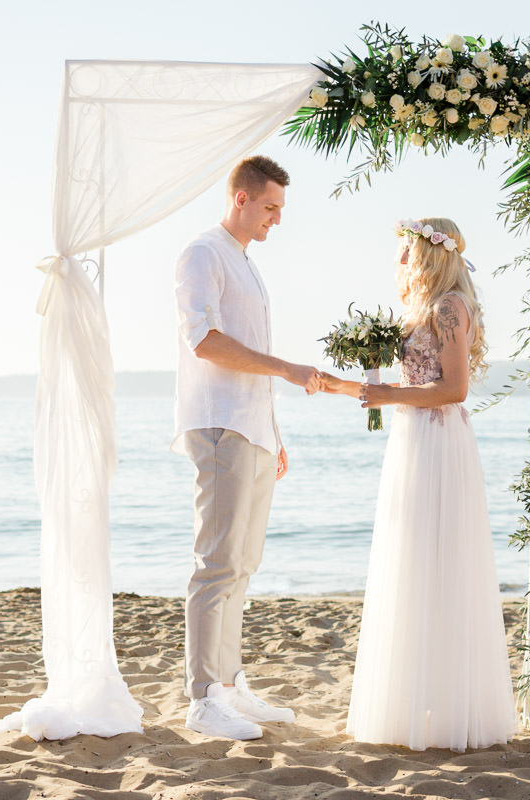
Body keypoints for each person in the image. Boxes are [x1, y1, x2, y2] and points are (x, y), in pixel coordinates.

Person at [321, 217, 515, 751]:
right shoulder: (424, 309)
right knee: (410, 562)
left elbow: (454, 389)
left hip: (438, 441)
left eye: (406, 249)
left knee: (442, 564)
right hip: (410, 441)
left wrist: (388, 400)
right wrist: (341, 384)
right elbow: (398, 385)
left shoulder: (449, 307)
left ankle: (449, 706)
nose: (399, 259)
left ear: (431, 254)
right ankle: (414, 699)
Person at [173, 155, 321, 741]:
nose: (276, 220)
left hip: (253, 429)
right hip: (219, 425)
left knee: (243, 565)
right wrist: (285, 368)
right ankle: (204, 697)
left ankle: (229, 685)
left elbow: (249, 347)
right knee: (217, 564)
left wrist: (274, 434)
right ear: (241, 198)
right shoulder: (203, 253)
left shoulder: (245, 263)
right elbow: (204, 341)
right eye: (270, 207)